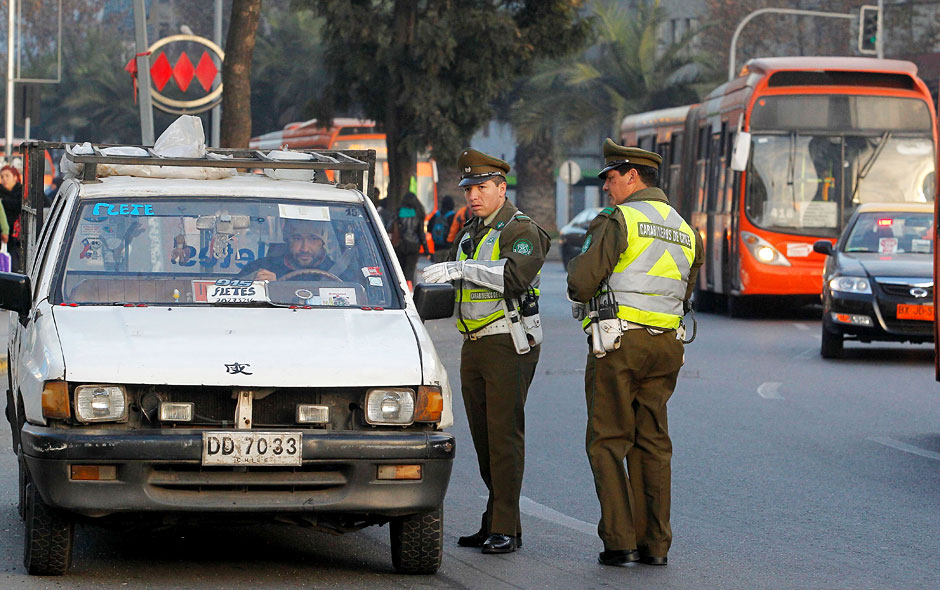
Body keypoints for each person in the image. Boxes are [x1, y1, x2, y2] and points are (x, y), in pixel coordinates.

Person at [566, 139, 703, 567]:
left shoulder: (619, 219)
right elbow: (684, 291)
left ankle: (620, 542)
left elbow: (581, 283)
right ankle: (655, 546)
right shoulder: (686, 229)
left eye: (610, 178)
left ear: (632, 176)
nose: (606, 187)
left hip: (620, 344)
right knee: (653, 444)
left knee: (608, 441)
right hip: (666, 347)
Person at [423, 148, 550, 555]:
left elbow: (514, 277)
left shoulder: (520, 229)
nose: (473, 196)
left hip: (507, 342)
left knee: (503, 437)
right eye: (469, 189)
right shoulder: (469, 233)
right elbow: (448, 279)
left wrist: (461, 269)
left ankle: (506, 527)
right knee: (484, 439)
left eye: (481, 188)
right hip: (474, 344)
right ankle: (495, 519)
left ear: (501, 188)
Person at [239, 218, 344, 281]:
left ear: (322, 242)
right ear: (288, 241)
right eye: (297, 239)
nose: (305, 248)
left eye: (313, 239)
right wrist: (259, 284)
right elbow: (236, 289)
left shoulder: (339, 274)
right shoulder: (263, 267)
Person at [393, 191, 426, 285]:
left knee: (400, 271)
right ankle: (409, 290)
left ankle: (400, 289)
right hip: (414, 246)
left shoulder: (399, 211)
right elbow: (421, 233)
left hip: (400, 245)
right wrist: (426, 250)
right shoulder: (418, 213)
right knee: (410, 272)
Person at [0, 165, 24, 272]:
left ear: (15, 177)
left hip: (17, 238)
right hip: (4, 238)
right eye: (2, 177)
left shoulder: (22, 193)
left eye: (7, 176)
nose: (4, 179)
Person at [430, 195, 456, 262]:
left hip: (437, 247)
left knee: (437, 266)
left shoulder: (436, 215)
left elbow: (429, 228)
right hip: (448, 247)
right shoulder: (453, 216)